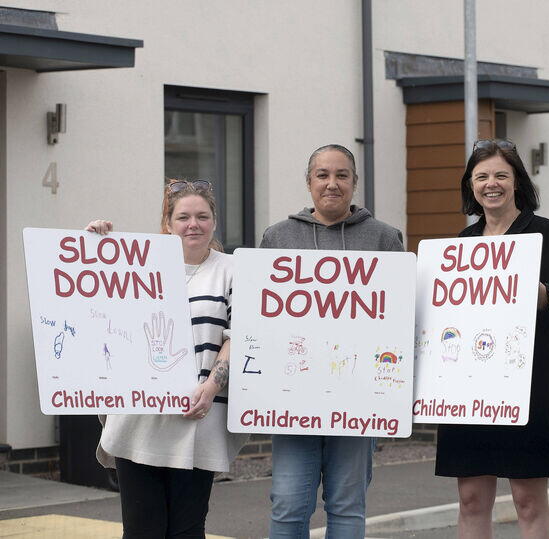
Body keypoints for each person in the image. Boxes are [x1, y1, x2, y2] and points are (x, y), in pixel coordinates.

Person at [86, 179, 248, 538]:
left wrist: (210, 387)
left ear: (215, 221)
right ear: (168, 223)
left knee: (187, 531)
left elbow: (239, 335)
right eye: (184, 217)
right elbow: (96, 306)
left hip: (198, 419)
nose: (194, 224)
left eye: (202, 216)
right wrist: (96, 244)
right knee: (142, 530)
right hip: (140, 421)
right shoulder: (139, 264)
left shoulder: (234, 269)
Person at [259, 144, 404, 538]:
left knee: (346, 507)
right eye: (322, 175)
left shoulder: (384, 239)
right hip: (293, 400)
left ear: (355, 183)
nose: (332, 184)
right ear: (309, 182)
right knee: (288, 505)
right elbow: (261, 318)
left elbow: (398, 319)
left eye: (342, 175)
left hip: (357, 400)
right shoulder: (278, 237)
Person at [435, 139, 549, 539]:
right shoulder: (461, 244)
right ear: (471, 185)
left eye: (500, 175)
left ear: (517, 182)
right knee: (471, 500)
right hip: (469, 386)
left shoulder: (546, 233)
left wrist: (543, 292)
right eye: (481, 176)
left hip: (529, 384)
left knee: (529, 500)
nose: (490, 184)